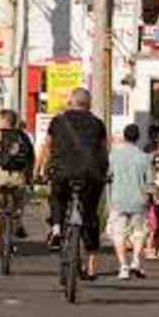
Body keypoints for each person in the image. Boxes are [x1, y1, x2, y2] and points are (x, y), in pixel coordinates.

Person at [34, 88, 108, 280]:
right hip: (90, 176)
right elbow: (103, 152)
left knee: (57, 196)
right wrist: (104, 174)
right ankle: (90, 251)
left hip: (62, 172)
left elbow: (48, 146)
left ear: (70, 102)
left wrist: (42, 170)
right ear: (88, 104)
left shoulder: (58, 121)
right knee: (91, 212)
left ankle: (57, 227)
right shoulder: (98, 124)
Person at [0, 109, 34, 264]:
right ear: (14, 122)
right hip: (18, 178)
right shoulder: (23, 137)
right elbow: (30, 159)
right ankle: (18, 219)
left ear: (0, 121)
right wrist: (30, 178)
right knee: (20, 201)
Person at [107, 124, 154, 280]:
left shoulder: (114, 155)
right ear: (138, 137)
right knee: (138, 232)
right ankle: (135, 260)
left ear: (124, 136)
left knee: (118, 233)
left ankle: (123, 266)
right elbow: (149, 182)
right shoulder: (144, 157)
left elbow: (108, 174)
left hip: (118, 199)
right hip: (138, 200)